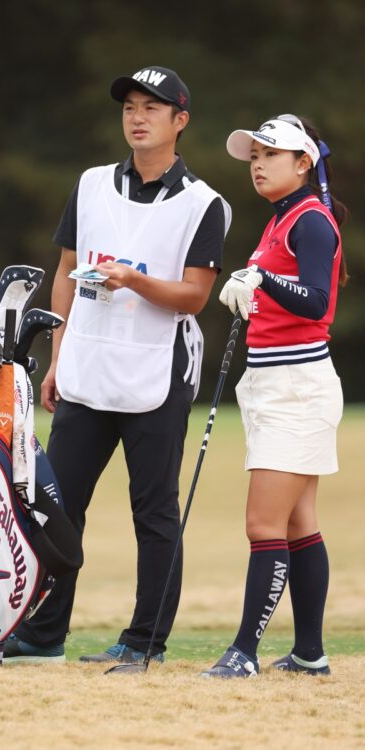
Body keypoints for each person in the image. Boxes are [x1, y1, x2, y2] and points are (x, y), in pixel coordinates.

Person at [3, 65, 231, 664]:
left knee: (153, 512)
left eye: (152, 108)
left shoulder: (204, 204)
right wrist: (58, 357)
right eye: (129, 106)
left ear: (180, 121)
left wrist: (133, 279)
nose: (137, 117)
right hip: (86, 367)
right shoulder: (91, 183)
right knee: (55, 504)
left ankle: (144, 643)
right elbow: (65, 273)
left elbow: (194, 297)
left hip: (159, 373)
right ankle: (44, 634)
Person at [201, 114, 348, 678]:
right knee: (297, 524)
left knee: (263, 525)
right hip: (275, 383)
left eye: (272, 154)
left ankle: (243, 653)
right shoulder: (281, 219)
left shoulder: (310, 220)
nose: (258, 164)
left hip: (297, 387)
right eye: (255, 155)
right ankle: (310, 655)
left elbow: (313, 301)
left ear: (304, 162)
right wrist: (258, 284)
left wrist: (263, 282)